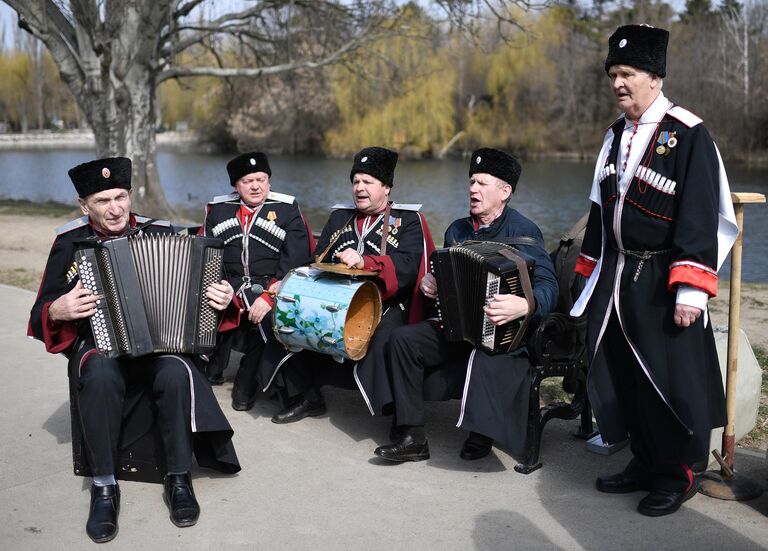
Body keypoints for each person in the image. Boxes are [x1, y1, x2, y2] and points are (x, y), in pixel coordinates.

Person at [28, 157, 242, 543]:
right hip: (99, 345)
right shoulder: (69, 243)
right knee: (98, 373)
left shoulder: (160, 232)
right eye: (103, 200)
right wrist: (57, 309)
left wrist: (223, 297)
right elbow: (40, 312)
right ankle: (104, 486)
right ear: (84, 206)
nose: (115, 208)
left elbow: (204, 290)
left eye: (121, 197)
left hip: (161, 343)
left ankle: (179, 479)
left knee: (178, 371)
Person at [571, 24, 738, 517]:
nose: (619, 83)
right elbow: (601, 208)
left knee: (667, 382)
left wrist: (690, 290)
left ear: (655, 76)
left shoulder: (688, 133)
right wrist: (588, 273)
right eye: (613, 74)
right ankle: (644, 461)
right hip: (618, 275)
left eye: (628, 73)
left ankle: (676, 474)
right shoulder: (614, 133)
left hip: (664, 279)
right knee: (625, 375)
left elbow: (700, 212)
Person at [373, 148, 558, 462]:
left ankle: (481, 430)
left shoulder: (524, 232)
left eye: (482, 183)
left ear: (505, 192)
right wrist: (432, 284)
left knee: (490, 356)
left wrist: (524, 305)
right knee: (403, 340)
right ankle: (411, 435)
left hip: (504, 333)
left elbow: (548, 286)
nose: (473, 189)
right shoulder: (457, 230)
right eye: (472, 181)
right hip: (458, 327)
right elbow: (448, 276)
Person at [255, 146, 435, 423]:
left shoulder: (409, 220)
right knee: (286, 318)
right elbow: (316, 259)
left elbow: (409, 268)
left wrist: (366, 261)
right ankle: (306, 395)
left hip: (386, 303)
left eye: (368, 182)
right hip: (335, 300)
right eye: (356, 181)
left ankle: (396, 413)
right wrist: (288, 286)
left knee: (390, 337)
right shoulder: (340, 217)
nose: (359, 188)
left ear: (386, 187)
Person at [199, 152, 314, 411]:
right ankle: (209, 364)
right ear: (235, 186)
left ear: (269, 181)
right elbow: (205, 255)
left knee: (265, 321)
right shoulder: (218, 211)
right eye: (248, 181)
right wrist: (219, 287)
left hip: (271, 286)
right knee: (203, 302)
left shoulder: (287, 209)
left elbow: (295, 261)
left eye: (261, 179)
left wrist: (270, 296)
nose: (256, 186)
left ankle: (245, 383)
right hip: (229, 286)